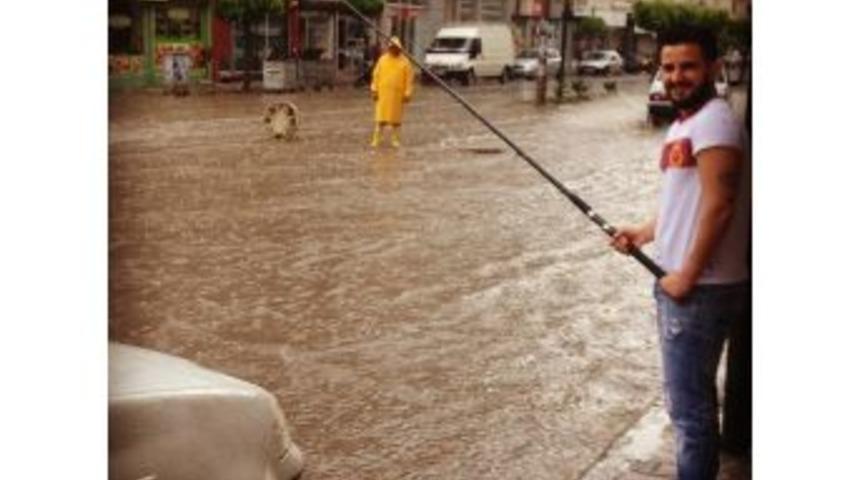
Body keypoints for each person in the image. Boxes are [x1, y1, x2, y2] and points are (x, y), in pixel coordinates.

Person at [610, 25, 750, 480]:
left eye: (687, 66)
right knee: (691, 409)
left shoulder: (714, 120)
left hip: (699, 291)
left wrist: (686, 275)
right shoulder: (686, 122)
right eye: (668, 67)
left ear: (712, 67)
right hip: (685, 287)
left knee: (690, 417)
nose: (675, 76)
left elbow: (720, 202)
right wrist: (644, 233)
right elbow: (683, 203)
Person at [370, 37, 414, 148]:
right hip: (383, 94)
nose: (394, 50)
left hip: (397, 95)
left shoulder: (405, 62)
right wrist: (374, 90)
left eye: (396, 48)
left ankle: (395, 140)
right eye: (392, 48)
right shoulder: (382, 60)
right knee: (380, 119)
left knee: (396, 120)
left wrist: (407, 93)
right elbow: (376, 75)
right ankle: (376, 139)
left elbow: (409, 79)